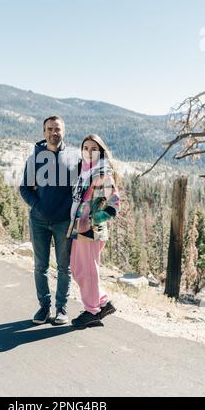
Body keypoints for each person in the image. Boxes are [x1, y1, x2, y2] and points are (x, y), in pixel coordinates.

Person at [20, 116, 79, 325]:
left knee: (64, 267)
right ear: (44, 132)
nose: (54, 132)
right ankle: (44, 308)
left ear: (64, 131)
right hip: (38, 221)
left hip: (64, 221)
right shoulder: (34, 159)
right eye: (50, 129)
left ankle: (61, 308)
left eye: (58, 129)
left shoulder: (74, 158)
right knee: (40, 266)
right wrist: (38, 206)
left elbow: (81, 187)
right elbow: (24, 188)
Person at [67, 134, 120, 328]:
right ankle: (103, 303)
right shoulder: (85, 171)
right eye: (86, 148)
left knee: (86, 270)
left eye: (93, 149)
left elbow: (114, 204)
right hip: (79, 228)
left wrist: (92, 220)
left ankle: (92, 312)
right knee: (79, 268)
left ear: (101, 152)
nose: (89, 152)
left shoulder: (102, 173)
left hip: (90, 230)